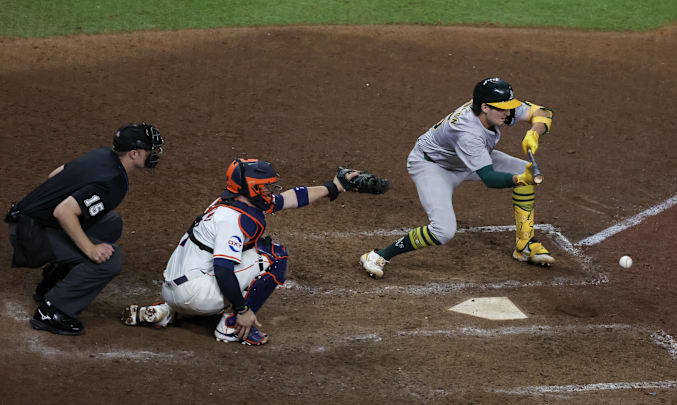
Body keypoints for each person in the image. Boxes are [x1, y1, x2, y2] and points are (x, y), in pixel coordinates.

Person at [121, 159, 364, 346]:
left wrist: (335, 186)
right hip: (195, 294)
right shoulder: (234, 220)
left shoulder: (228, 201)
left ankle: (166, 312)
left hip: (172, 287)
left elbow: (289, 198)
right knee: (275, 255)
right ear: (252, 188)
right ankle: (230, 327)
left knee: (232, 255)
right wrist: (243, 310)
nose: (271, 190)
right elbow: (223, 271)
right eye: (266, 186)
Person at [360, 77, 554, 279]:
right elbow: (489, 178)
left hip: (467, 159)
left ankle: (524, 246)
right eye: (503, 108)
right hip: (433, 166)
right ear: (485, 107)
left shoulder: (493, 108)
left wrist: (534, 132)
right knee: (443, 231)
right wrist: (519, 179)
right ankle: (377, 256)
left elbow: (542, 112)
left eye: (509, 107)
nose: (508, 113)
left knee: (524, 168)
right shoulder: (467, 131)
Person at [4, 123, 165, 335]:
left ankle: (55, 278)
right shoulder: (114, 181)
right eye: (150, 150)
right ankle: (52, 311)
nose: (155, 154)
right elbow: (63, 212)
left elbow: (56, 174)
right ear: (134, 154)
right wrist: (90, 249)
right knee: (111, 259)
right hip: (29, 234)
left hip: (27, 221)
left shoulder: (103, 155)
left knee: (110, 222)